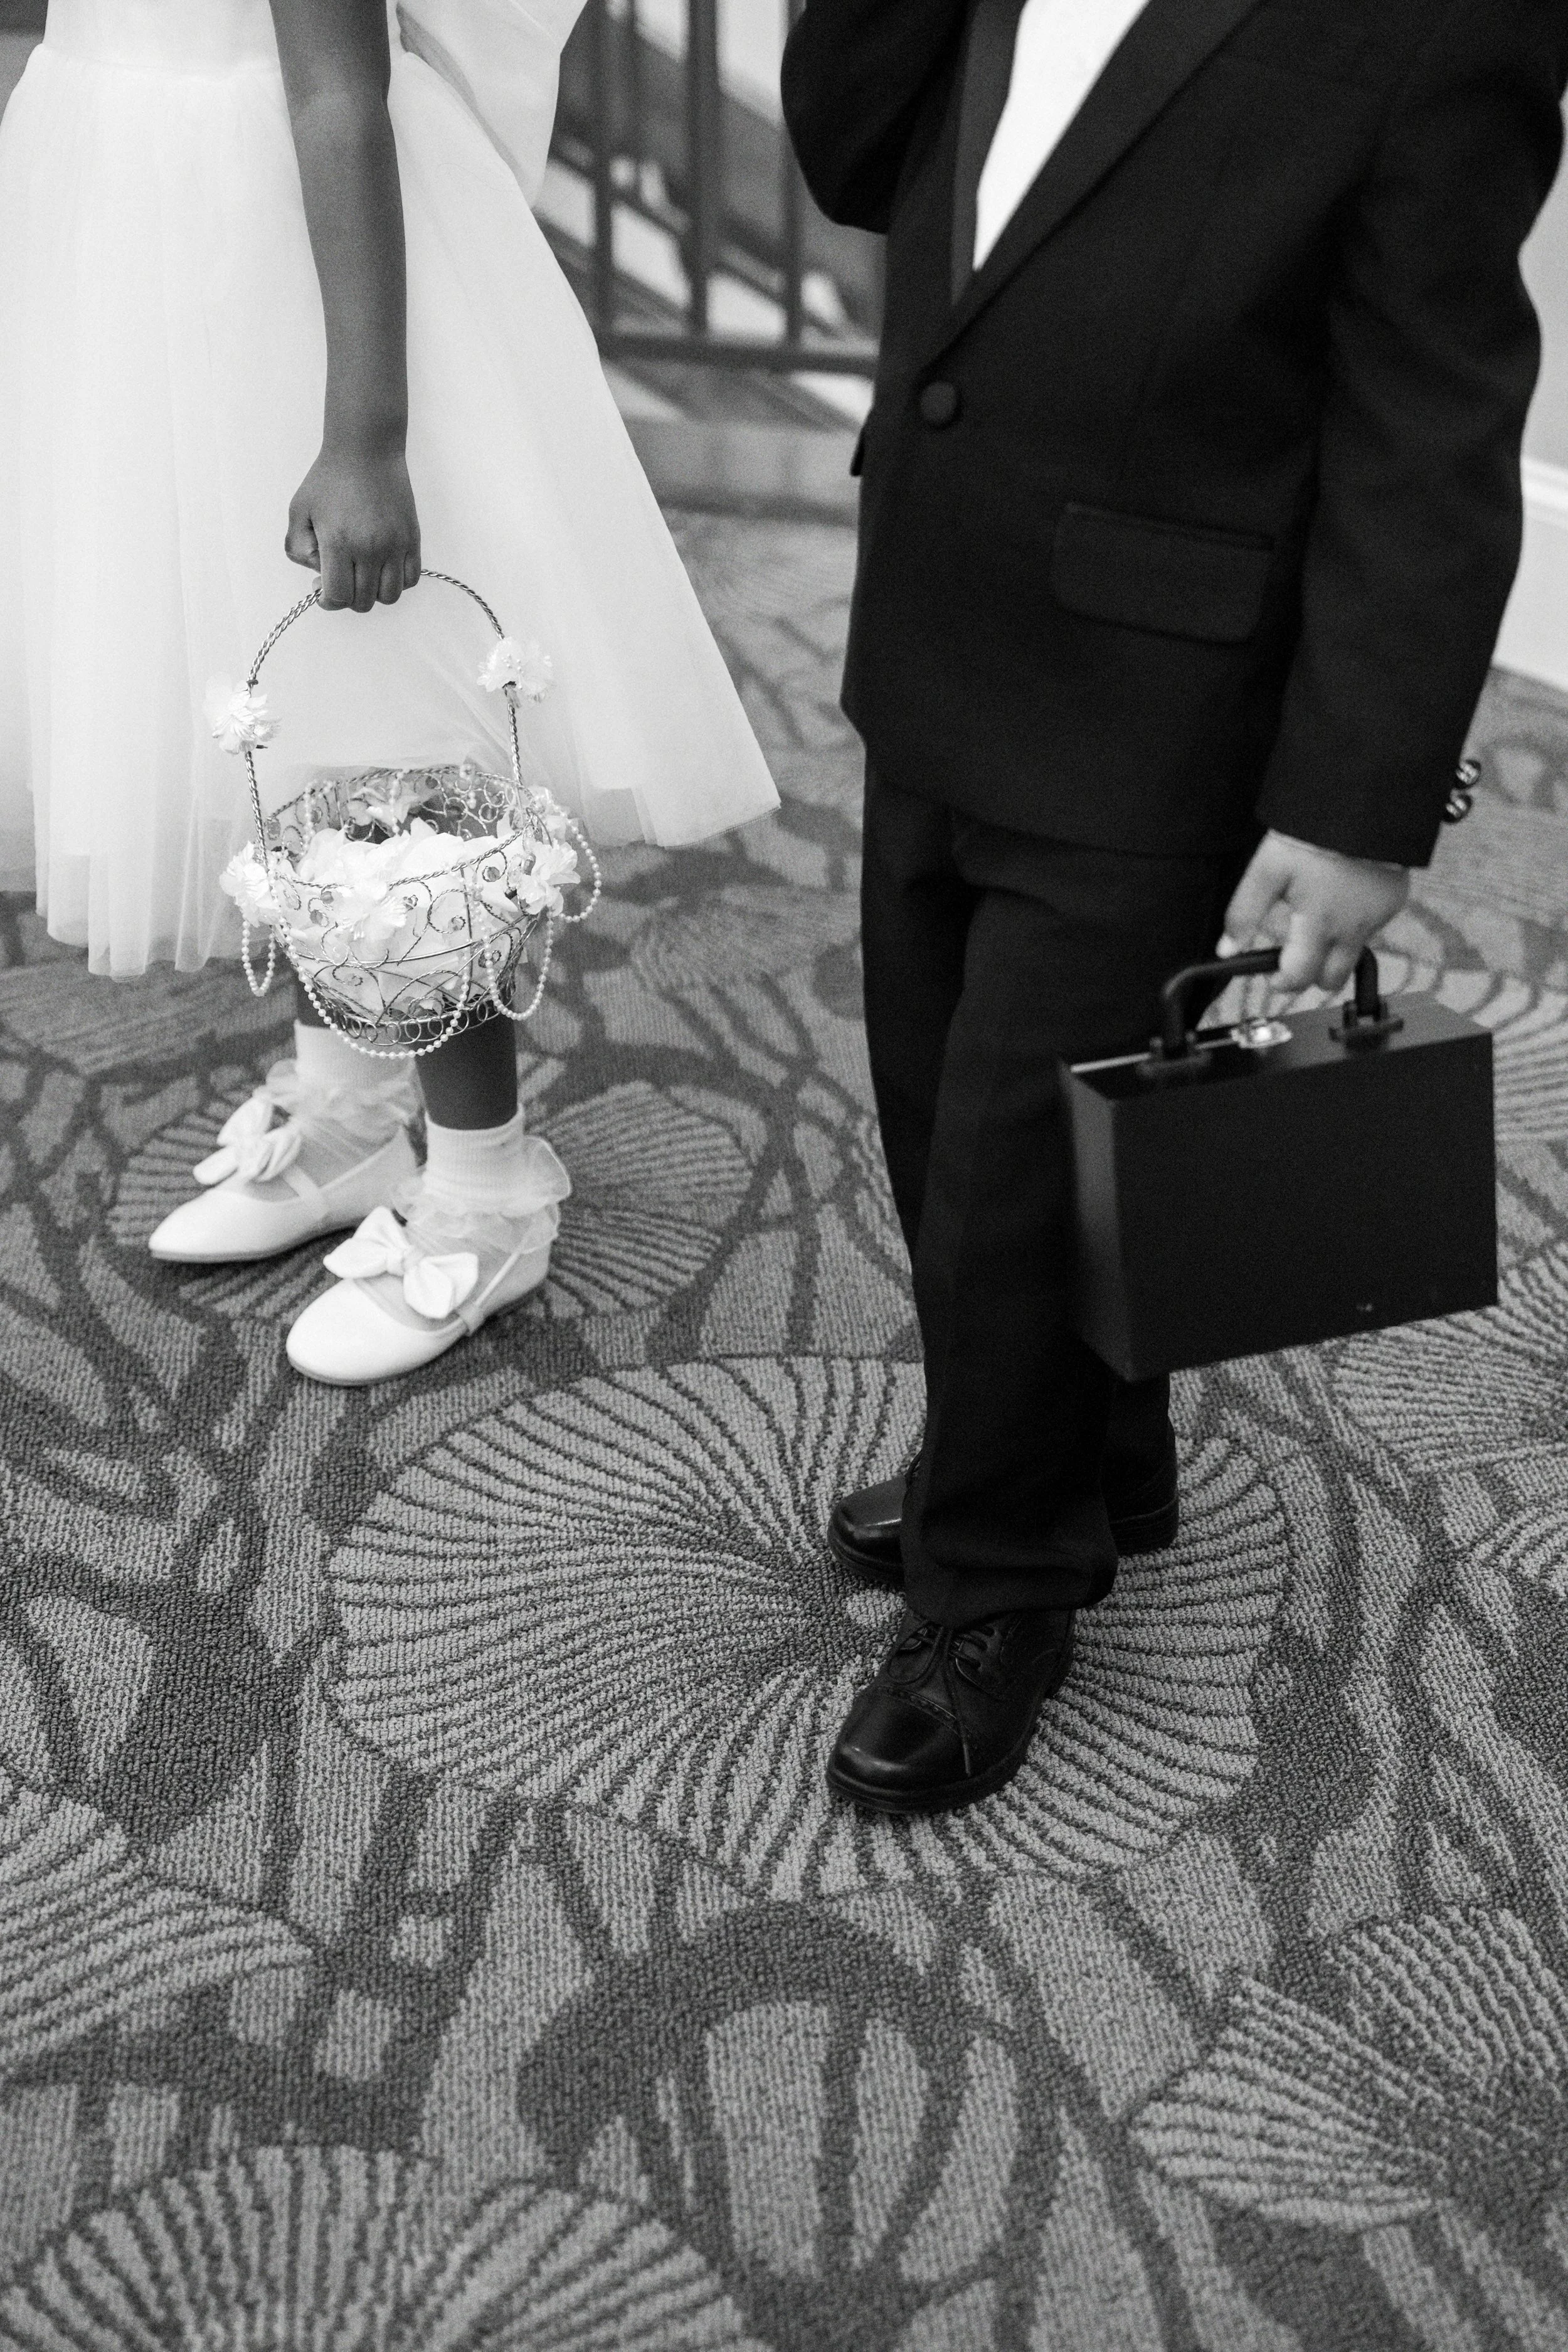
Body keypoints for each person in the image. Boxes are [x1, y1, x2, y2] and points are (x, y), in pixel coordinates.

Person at [781, 0, 1568, 1813]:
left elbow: (1427, 415)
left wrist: (1355, 806)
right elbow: (844, 152)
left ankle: (996, 1582)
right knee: (933, 1090)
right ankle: (1093, 1456)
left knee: (998, 1151)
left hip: (1161, 697)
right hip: (942, 623)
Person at [0, 0, 776, 1386]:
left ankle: (487, 1185)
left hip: (290, 269)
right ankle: (354, 1108)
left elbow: (338, 93)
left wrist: (365, 434)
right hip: (131, 237)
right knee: (259, 722)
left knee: (389, 744)